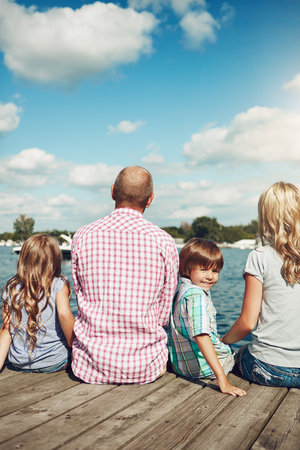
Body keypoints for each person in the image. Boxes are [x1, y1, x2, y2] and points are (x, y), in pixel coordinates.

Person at [71, 166, 179, 384]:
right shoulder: (163, 241)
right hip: (146, 366)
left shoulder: (83, 235)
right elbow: (164, 311)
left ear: (112, 192)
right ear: (150, 200)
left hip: (89, 364)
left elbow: (79, 292)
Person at [222, 182, 300, 387]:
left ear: (266, 216)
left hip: (269, 368)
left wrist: (222, 343)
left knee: (241, 352)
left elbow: (247, 323)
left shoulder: (259, 257)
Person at [169, 238, 246, 397]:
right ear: (186, 267)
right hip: (203, 369)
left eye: (215, 271)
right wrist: (223, 380)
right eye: (203, 269)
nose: (210, 276)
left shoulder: (182, 290)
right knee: (246, 352)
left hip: (182, 366)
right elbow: (201, 336)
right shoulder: (197, 296)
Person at [0, 234, 74, 372]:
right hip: (55, 362)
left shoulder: (11, 288)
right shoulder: (59, 284)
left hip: (18, 363)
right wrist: (73, 345)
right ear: (55, 260)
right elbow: (64, 316)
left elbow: (6, 330)